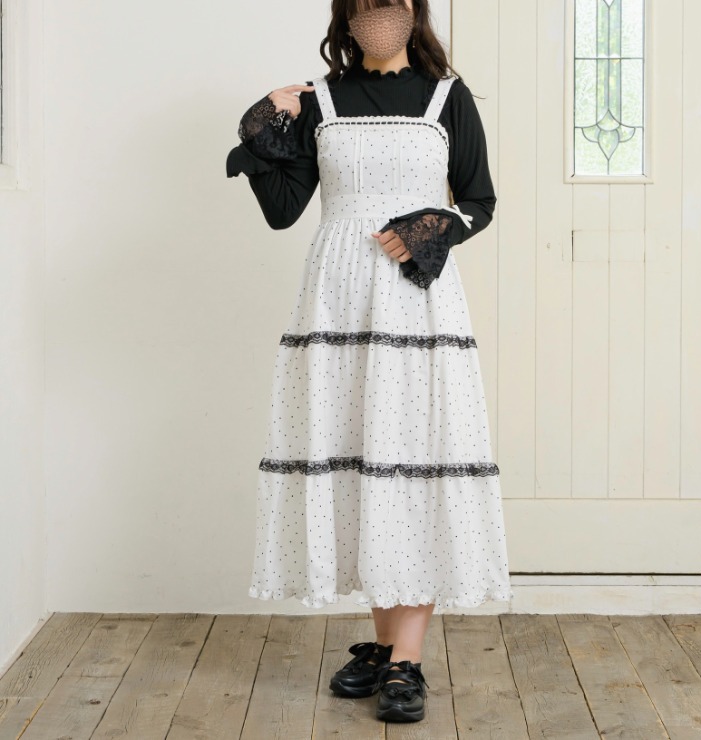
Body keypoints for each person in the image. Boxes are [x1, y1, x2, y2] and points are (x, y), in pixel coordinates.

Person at [226, 0, 512, 723]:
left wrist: (430, 227)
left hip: (415, 297)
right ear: (345, 16)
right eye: (363, 5)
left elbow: (478, 201)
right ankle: (387, 650)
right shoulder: (321, 101)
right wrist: (263, 127)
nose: (378, 15)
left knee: (413, 460)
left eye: (391, 3)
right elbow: (284, 211)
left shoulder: (448, 97)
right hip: (337, 300)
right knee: (361, 463)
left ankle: (407, 660)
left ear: (414, 10)